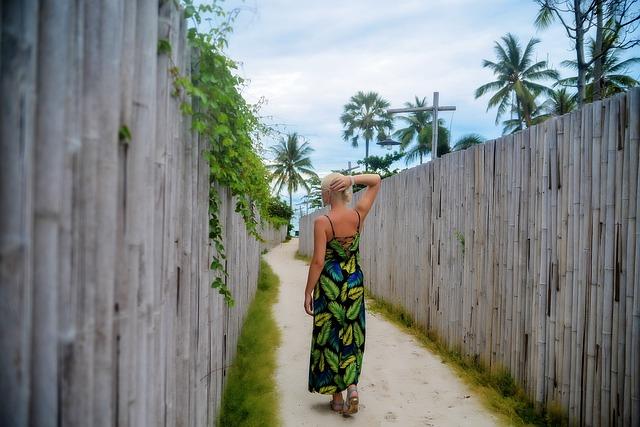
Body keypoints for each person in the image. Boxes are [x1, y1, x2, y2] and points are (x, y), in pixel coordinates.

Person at [304, 172, 381, 415]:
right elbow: (376, 180)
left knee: (330, 337)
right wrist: (353, 179)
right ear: (345, 190)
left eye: (322, 191)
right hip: (354, 282)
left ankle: (336, 399)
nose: (321, 194)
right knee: (351, 332)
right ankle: (352, 386)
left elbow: (318, 261)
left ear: (328, 193)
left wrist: (308, 292)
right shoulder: (358, 215)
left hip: (330, 285)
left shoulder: (322, 222)